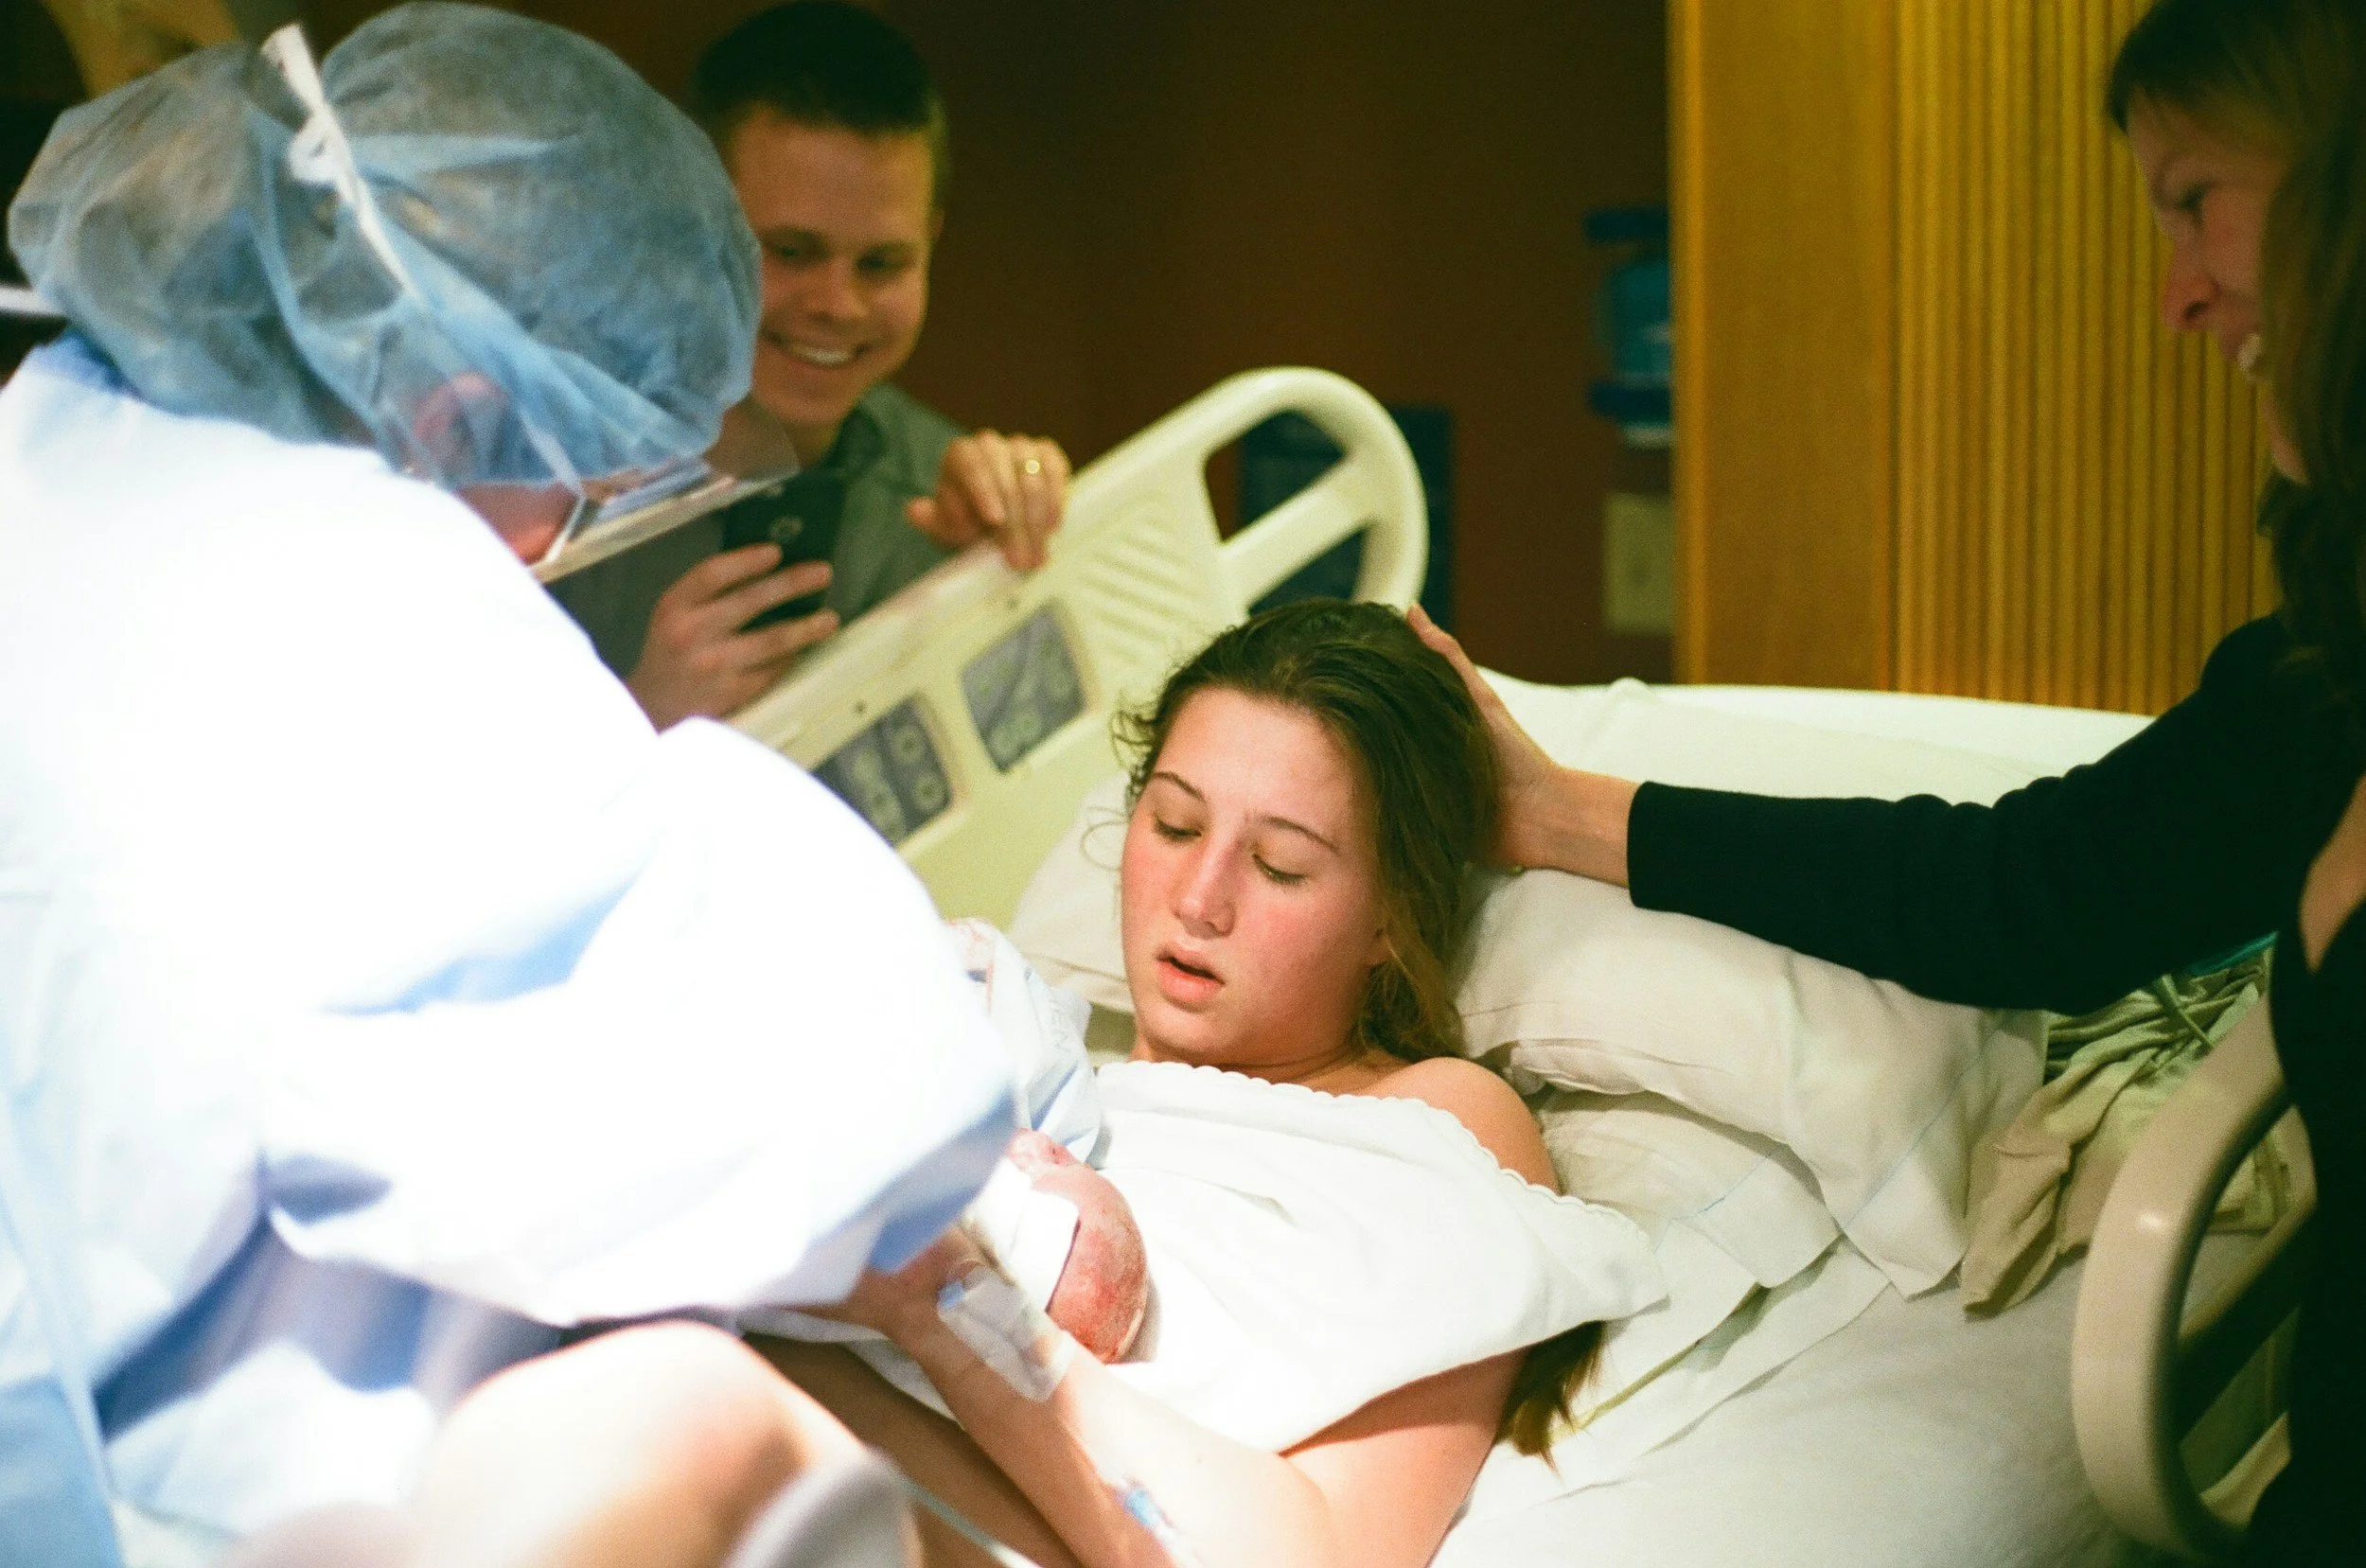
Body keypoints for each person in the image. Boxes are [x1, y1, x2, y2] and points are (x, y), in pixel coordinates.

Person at [0, 7, 1016, 1564]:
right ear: (455, 406)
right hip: (161, 1484)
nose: (551, 539)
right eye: (580, 479)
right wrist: (988, 1039)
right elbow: (797, 1130)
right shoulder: (397, 605)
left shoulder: (52, 435)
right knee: (702, 1414)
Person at [1406, 0, 2364, 1558]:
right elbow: (2017, 894)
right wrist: (1555, 810)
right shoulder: (2320, 680)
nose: (2180, 298)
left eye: (2198, 202)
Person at [761, 601, 1660, 1568]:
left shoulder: (1430, 1119)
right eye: (1176, 823)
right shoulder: (1039, 1058)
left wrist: (940, 1297)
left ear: (1392, 919)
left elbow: (1315, 1552)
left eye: (1278, 865)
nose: (1198, 898)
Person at [559, 1, 1077, 731]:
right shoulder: (539, 489)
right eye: (791, 252)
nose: (838, 304)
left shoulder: (947, 502)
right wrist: (641, 716)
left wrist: (997, 583)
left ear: (931, 245)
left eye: (882, 263)